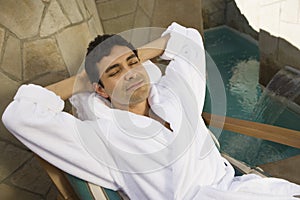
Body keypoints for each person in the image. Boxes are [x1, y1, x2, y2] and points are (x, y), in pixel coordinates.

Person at [2, 22, 300, 200]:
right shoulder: (101, 138)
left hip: (236, 189)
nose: (131, 74)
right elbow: (19, 115)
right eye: (116, 72)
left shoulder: (175, 93)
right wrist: (84, 81)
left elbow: (188, 39)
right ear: (101, 90)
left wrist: (131, 57)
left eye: (134, 64)